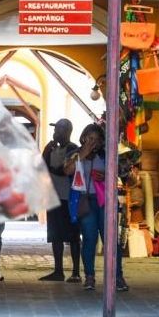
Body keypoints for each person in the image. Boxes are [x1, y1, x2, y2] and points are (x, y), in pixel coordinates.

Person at [66, 124, 127, 292]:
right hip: (86, 201)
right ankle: (90, 276)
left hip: (105, 201)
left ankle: (118, 277)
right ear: (83, 138)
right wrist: (83, 154)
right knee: (89, 238)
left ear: (102, 141)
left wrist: (106, 176)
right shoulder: (75, 154)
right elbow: (67, 170)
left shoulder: (106, 156)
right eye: (90, 138)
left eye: (97, 139)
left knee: (110, 239)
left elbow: (122, 174)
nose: (93, 142)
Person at [39, 119, 81, 283]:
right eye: (55, 130)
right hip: (53, 197)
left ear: (66, 132)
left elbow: (65, 171)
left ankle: (76, 272)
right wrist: (45, 152)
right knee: (55, 235)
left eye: (58, 130)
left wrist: (51, 169)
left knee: (73, 235)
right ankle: (58, 271)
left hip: (68, 197)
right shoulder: (52, 150)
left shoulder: (72, 149)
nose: (55, 133)